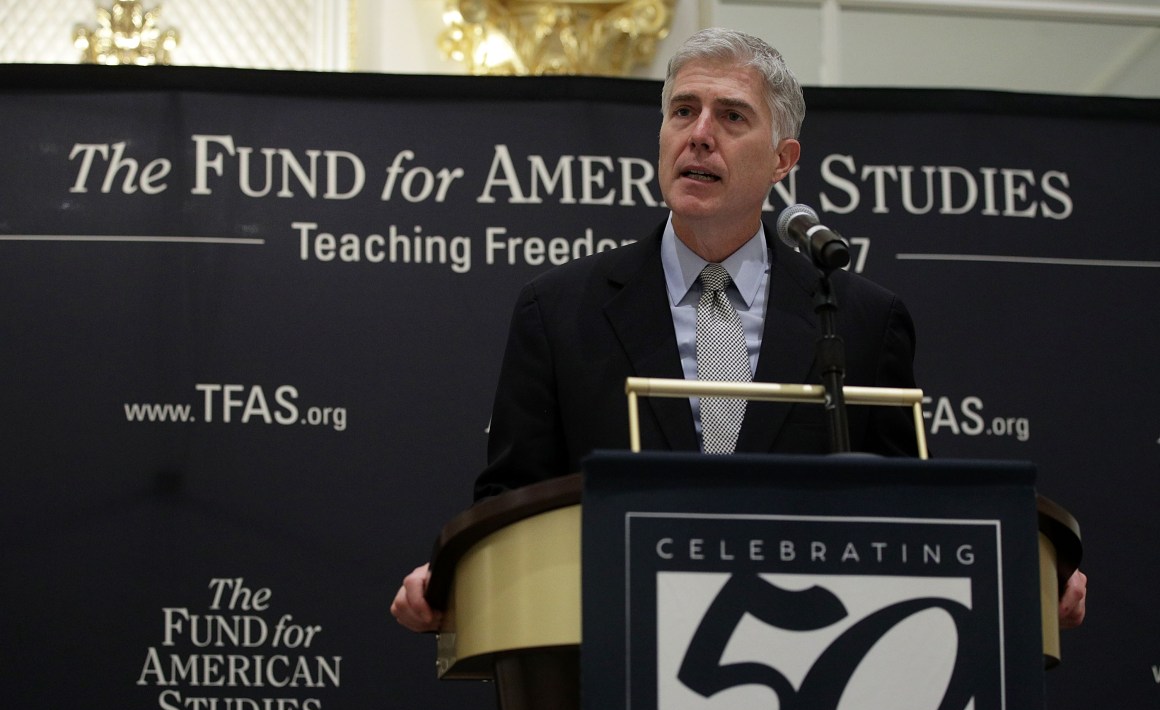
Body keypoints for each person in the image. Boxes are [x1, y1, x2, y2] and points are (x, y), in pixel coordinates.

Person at [391, 27, 1086, 633]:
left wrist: (1025, 575)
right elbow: (511, 501)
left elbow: (906, 514)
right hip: (610, 648)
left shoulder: (861, 319)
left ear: (783, 160)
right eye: (682, 111)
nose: (699, 134)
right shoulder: (559, 309)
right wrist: (458, 579)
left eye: (731, 116)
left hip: (812, 664)